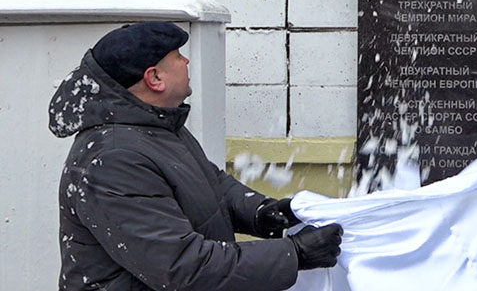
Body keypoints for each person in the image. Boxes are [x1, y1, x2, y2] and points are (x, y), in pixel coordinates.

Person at [48, 21, 343, 291]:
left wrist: (262, 213)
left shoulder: (154, 127)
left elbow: (208, 182)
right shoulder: (113, 160)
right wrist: (295, 254)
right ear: (155, 78)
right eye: (177, 55)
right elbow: (181, 266)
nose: (186, 61)